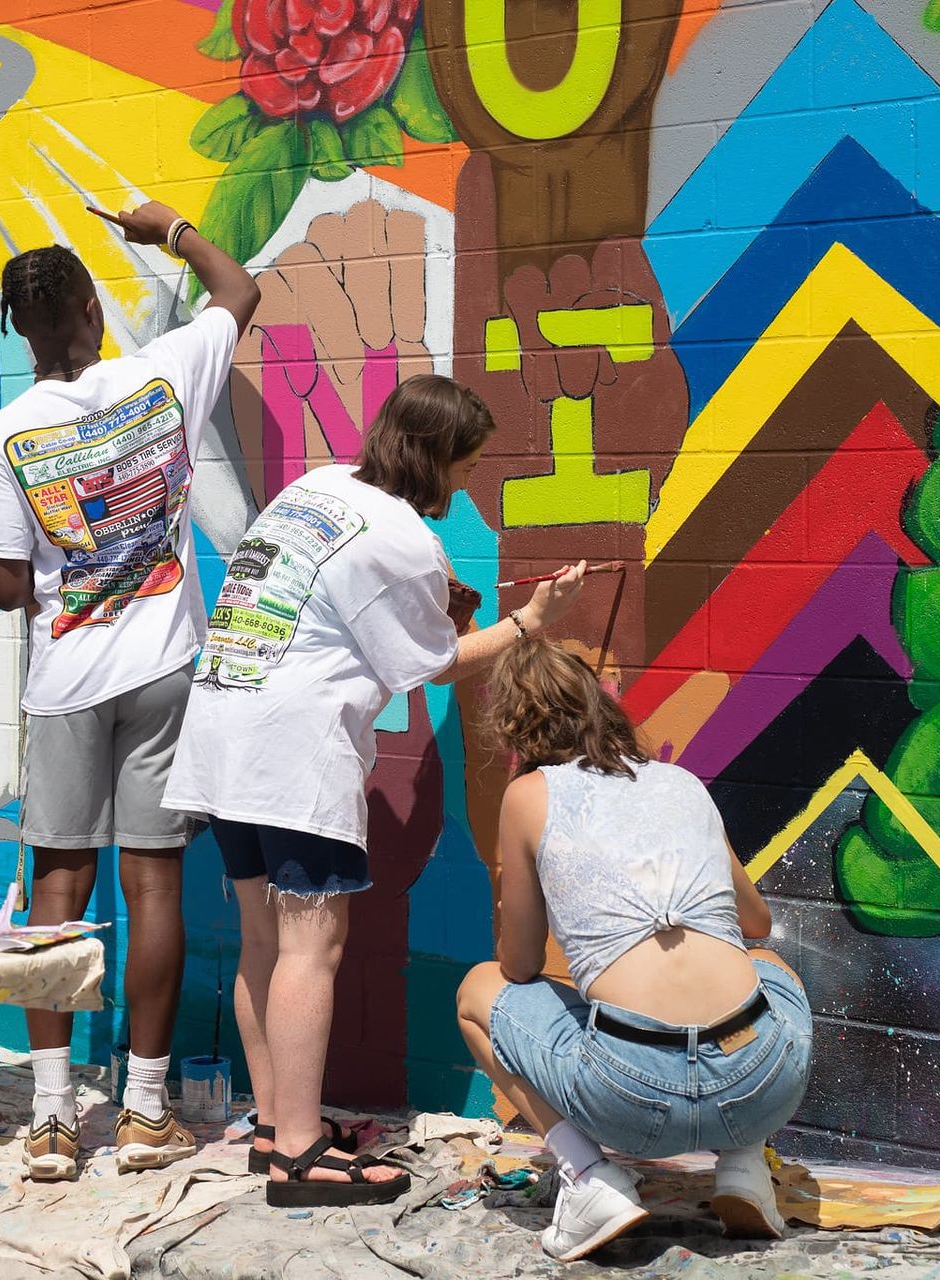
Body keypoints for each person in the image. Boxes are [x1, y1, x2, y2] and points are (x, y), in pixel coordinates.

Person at [162, 374, 587, 1206]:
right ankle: (299, 1152)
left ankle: (275, 1125)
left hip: (223, 734)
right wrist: (531, 620)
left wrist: (435, 607)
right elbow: (428, 664)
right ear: (435, 459)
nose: (466, 485)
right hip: (292, 753)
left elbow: (336, 602)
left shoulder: (314, 487)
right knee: (311, 950)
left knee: (260, 942)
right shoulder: (402, 539)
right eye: (465, 467)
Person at [0, 198, 259, 1181]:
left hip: (65, 685)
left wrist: (66, 551)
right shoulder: (164, 373)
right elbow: (239, 289)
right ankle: (142, 1108)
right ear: (92, 307)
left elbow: (7, 586)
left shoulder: (3, 434)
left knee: (56, 887)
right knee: (155, 883)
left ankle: (52, 1118)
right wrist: (166, 228)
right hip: (165, 673)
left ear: (21, 331)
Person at [454, 641, 813, 1260]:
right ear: (601, 706)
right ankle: (744, 1165)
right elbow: (757, 921)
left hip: (630, 1101)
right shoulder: (682, 783)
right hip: (761, 1084)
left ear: (515, 728)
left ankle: (590, 1179)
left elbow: (517, 969)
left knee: (476, 993)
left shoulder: (528, 796)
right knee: (769, 968)